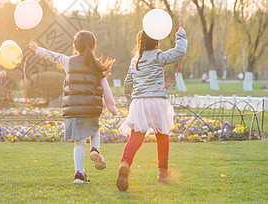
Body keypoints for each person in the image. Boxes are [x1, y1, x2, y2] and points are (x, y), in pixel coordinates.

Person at [30, 31, 119, 184]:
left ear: (75, 46)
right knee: (94, 128)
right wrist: (112, 107)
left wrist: (37, 50)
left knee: (79, 143)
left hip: (74, 109)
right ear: (93, 46)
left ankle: (79, 175)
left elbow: (54, 56)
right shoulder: (96, 64)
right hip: (91, 108)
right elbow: (106, 88)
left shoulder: (68, 61)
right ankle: (95, 149)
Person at [117, 27, 187, 191]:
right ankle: (163, 171)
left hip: (139, 101)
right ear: (157, 42)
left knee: (136, 136)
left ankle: (125, 163)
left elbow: (128, 85)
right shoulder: (159, 56)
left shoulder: (135, 60)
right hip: (157, 101)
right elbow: (179, 52)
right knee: (162, 134)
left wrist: (131, 102)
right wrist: (181, 35)